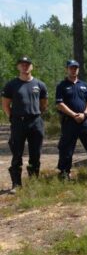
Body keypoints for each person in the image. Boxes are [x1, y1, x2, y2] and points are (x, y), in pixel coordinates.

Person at [2, 56, 48, 192]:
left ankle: (33, 182)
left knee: (36, 154)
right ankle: (16, 184)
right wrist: (13, 117)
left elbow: (44, 104)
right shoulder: (11, 85)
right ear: (18, 67)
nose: (25, 66)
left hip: (35, 122)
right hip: (18, 123)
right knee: (17, 153)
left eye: (27, 64)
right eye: (22, 64)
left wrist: (37, 114)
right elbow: (5, 104)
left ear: (31, 67)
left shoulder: (39, 84)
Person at [55, 60, 87, 180]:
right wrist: (74, 115)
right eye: (71, 68)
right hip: (69, 122)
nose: (73, 70)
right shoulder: (62, 86)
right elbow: (59, 104)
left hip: (84, 121)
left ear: (78, 69)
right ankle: (64, 173)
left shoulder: (84, 85)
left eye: (75, 68)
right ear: (67, 69)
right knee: (66, 149)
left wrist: (84, 114)